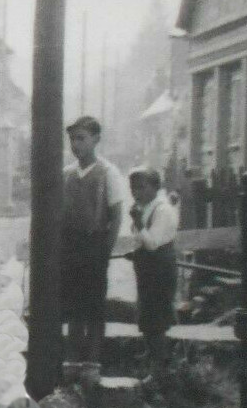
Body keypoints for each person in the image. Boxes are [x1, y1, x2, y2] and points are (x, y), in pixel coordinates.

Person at [61, 116, 129, 382]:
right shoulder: (67, 174)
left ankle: (92, 361)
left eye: (81, 138)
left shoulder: (107, 173)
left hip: (95, 245)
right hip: (71, 246)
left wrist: (104, 251)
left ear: (96, 140)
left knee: (94, 306)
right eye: (72, 139)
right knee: (73, 304)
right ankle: (72, 359)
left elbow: (117, 216)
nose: (75, 144)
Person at [127, 167, 179, 382]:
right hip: (148, 268)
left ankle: (159, 368)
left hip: (159, 268)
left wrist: (139, 223)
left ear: (155, 187)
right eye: (133, 188)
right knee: (147, 313)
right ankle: (152, 354)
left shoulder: (162, 210)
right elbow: (140, 239)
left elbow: (152, 244)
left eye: (141, 187)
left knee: (156, 316)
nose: (136, 192)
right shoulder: (146, 207)